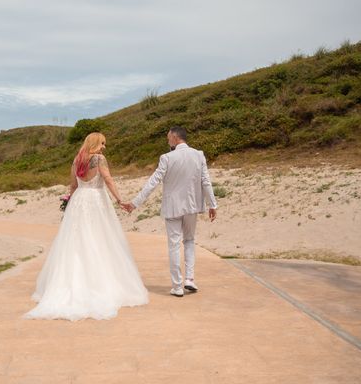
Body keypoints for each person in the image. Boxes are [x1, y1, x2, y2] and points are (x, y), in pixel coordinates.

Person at [24, 132, 148, 320]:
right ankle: (100, 285)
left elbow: (73, 185)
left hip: (79, 201)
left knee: (76, 240)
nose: (104, 147)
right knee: (100, 238)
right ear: (96, 143)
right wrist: (119, 199)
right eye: (103, 143)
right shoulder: (99, 159)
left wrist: (69, 202)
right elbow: (107, 179)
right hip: (96, 200)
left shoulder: (77, 159)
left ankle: (69, 284)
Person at [122, 126, 217, 297]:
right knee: (189, 240)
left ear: (175, 137)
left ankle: (177, 286)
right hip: (192, 206)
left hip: (172, 207)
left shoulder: (166, 158)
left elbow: (153, 182)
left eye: (168, 138)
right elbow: (206, 181)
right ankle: (190, 279)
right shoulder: (199, 154)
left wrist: (135, 203)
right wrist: (213, 204)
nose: (167, 141)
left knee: (174, 245)